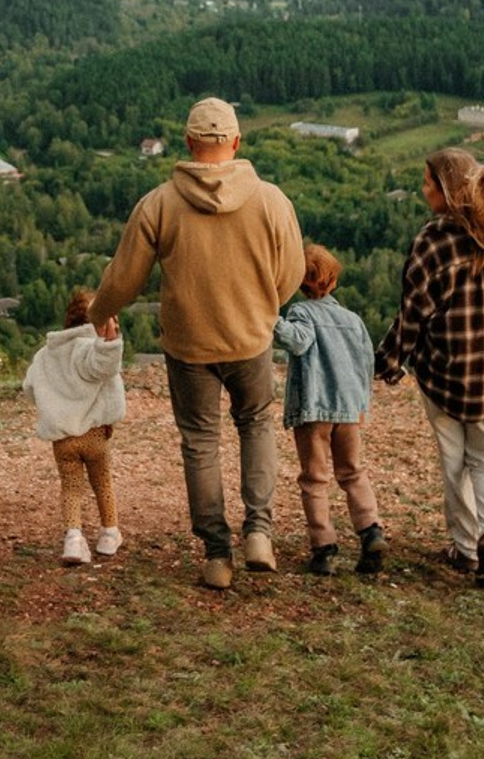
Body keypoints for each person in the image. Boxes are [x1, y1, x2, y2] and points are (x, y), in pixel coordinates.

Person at [88, 97, 305, 590]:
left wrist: (99, 313)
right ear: (235, 141)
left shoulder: (159, 203)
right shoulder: (271, 200)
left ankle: (216, 554)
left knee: (201, 442)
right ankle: (259, 533)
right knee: (255, 425)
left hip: (188, 346)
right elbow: (291, 271)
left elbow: (125, 278)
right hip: (250, 339)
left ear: (188, 143)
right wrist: (261, 308)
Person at [376, 147, 484, 590]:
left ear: (448, 191)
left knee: (455, 463)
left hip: (444, 381)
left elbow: (412, 316)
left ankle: (467, 549)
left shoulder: (430, 244)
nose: (422, 189)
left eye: (428, 183)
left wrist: (390, 361)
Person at [274, 243, 389, 576]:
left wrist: (270, 319)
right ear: (334, 280)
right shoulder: (353, 321)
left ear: (299, 282)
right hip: (349, 411)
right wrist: (361, 404)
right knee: (352, 472)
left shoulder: (301, 313)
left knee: (315, 479)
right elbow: (367, 363)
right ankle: (371, 531)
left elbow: (297, 341)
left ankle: (324, 549)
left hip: (315, 409)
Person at [22, 287, 126, 566]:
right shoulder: (89, 348)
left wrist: (54, 404)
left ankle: (74, 539)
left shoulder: (47, 354)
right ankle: (109, 533)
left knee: (70, 488)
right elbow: (103, 366)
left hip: (63, 439)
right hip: (94, 434)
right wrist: (111, 339)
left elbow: (30, 386)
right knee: (102, 483)